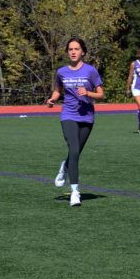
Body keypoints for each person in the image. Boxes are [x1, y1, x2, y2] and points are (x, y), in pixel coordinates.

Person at [45, 38, 105, 207]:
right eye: (70, 49)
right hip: (68, 115)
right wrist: (52, 99)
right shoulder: (62, 72)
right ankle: (75, 192)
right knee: (74, 148)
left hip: (87, 117)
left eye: (76, 49)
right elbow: (58, 91)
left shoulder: (90, 71)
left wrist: (87, 92)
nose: (73, 52)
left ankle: (64, 166)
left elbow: (101, 94)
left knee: (75, 153)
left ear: (82, 52)